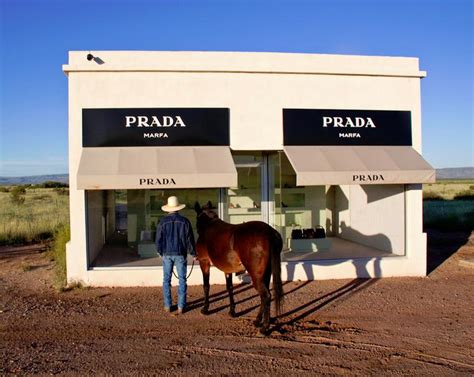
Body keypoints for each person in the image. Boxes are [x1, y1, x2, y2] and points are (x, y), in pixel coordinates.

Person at [155, 196, 196, 314]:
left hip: (167, 254)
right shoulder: (185, 221)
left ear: (168, 209)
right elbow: (190, 240)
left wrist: (159, 251)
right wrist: (193, 253)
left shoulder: (162, 222)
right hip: (180, 253)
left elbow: (158, 239)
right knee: (182, 279)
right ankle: (181, 306)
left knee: (166, 280)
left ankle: (168, 305)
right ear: (178, 208)